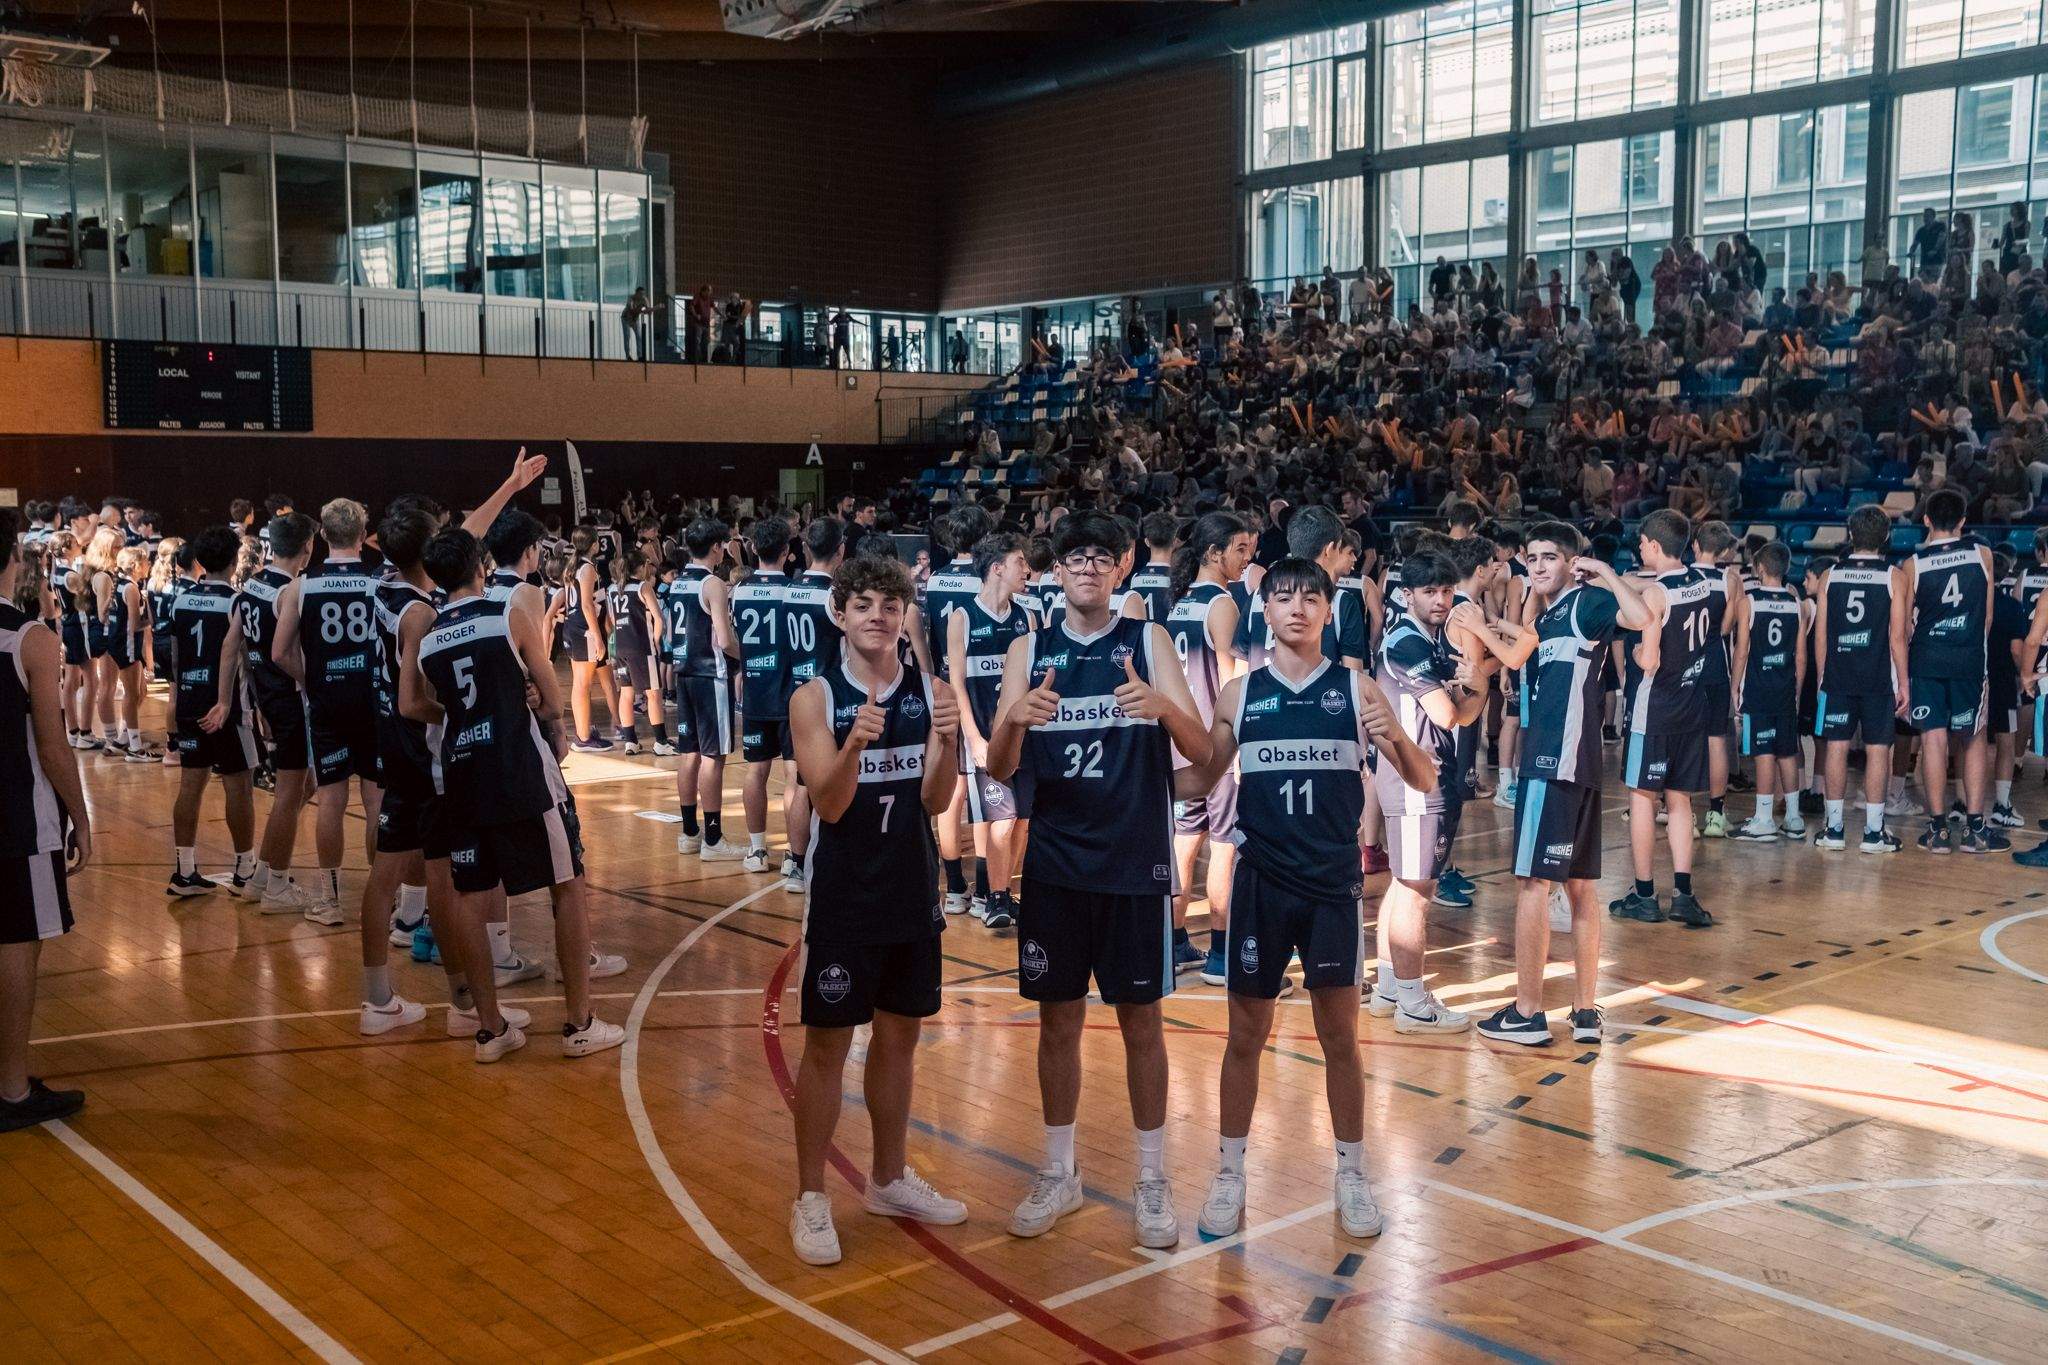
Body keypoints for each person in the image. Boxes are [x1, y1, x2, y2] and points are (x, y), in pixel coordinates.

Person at [1177, 557, 1432, 1238]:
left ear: (1327, 609)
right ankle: (1229, 1174)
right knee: (1244, 1039)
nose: (1297, 607)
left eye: (1310, 597)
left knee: (1339, 1038)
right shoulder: (1240, 693)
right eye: (1283, 596)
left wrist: (1397, 741)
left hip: (1330, 889)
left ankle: (1352, 1174)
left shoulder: (1356, 688)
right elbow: (1198, 779)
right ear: (1265, 609)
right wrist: (1132, 756)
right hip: (1261, 885)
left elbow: (1424, 775)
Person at [987, 510, 1211, 1250]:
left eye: (1100, 556)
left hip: (1134, 862)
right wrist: (1014, 717)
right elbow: (996, 766)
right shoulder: (1029, 647)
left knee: (1141, 1022)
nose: (1087, 566)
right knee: (1058, 1021)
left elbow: (1203, 752)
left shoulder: (1148, 642)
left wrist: (1163, 707)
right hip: (1054, 863)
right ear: (1056, 571)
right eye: (1074, 555)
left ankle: (1153, 1181)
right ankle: (1060, 1170)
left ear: (1121, 569)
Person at [786, 554, 966, 1265]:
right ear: (840, 612)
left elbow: (936, 800)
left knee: (899, 1040)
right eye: (863, 603)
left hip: (910, 887)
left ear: (903, 616)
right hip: (842, 895)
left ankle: (888, 1177)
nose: (877, 616)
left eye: (890, 605)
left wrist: (948, 739)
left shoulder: (930, 689)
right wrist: (856, 742)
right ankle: (809, 1196)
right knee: (827, 1045)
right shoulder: (814, 698)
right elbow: (828, 801)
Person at [413, 528, 624, 1062]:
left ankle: (489, 1030)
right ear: (481, 567)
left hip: (460, 769)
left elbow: (422, 705)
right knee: (567, 884)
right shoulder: (506, 615)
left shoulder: (430, 636)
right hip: (518, 768)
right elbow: (552, 703)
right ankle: (580, 1023)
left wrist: (471, 714)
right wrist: (525, 697)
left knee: (469, 896)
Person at [1476, 522, 1648, 1045]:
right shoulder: (1548, 615)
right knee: (1580, 890)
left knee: (1533, 885)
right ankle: (1586, 1011)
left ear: (1572, 562)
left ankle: (1528, 1012)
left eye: (1549, 557)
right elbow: (1522, 648)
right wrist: (1499, 624)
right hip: (1578, 766)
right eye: (1531, 557)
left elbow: (1640, 616)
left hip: (1554, 764)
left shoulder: (1587, 601)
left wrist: (1605, 574)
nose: (1537, 565)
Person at [1363, 551, 1487, 1034]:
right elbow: (1449, 714)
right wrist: (1476, 687)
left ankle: (1391, 988)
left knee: (1402, 884)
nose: (1440, 600)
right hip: (1418, 781)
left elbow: (1467, 709)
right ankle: (1413, 1002)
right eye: (1429, 592)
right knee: (1417, 891)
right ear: (1407, 594)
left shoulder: (1428, 640)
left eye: (1446, 591)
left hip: (1423, 778)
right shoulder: (1409, 644)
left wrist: (1474, 691)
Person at [0, 509, 92, 1131]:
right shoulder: (29, 636)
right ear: (11, 556)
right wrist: (81, 818)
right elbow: (53, 745)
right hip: (14, 814)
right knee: (15, 941)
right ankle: (10, 1089)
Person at [272, 500, 385, 920]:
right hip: (373, 702)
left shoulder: (301, 586)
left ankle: (331, 900)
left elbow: (279, 652)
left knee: (332, 801)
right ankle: (381, 897)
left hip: (327, 706)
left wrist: (312, 678)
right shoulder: (380, 582)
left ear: (321, 535)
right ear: (362, 536)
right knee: (376, 803)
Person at [1609, 509, 1715, 927]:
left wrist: (1636, 654)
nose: (1639, 550)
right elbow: (1650, 586)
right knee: (1681, 799)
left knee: (1641, 798)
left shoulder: (1656, 597)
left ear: (1654, 546)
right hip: (1691, 705)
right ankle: (1685, 894)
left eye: (1641, 545)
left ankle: (1644, 894)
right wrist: (1616, 579)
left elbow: (1649, 658)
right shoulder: (1702, 582)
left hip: (1653, 712)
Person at [1164, 512, 1251, 985]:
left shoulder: (1181, 604)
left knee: (1185, 841)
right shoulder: (1223, 605)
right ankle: (1221, 953)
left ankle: (1175, 941)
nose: (1246, 559)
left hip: (1179, 741)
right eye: (1240, 549)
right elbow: (1232, 682)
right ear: (1214, 553)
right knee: (1224, 847)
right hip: (1214, 747)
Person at [219, 512, 319, 912]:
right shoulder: (290, 591)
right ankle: (277, 885)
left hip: (268, 698)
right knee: (290, 791)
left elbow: (231, 647)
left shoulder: (252, 585)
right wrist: (317, 682)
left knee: (302, 787)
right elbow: (284, 654)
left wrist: (228, 699)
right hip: (291, 700)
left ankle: (262, 872)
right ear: (308, 547)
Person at [1893, 488, 2002, 853]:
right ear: (1963, 521)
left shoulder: (1913, 565)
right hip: (1968, 659)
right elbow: (1987, 617)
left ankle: (1938, 829)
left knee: (1933, 741)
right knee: (1973, 740)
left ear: (1925, 520)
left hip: (1927, 660)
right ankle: (1975, 827)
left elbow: (1906, 626)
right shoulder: (1982, 554)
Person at [946, 532, 1037, 931]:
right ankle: (994, 897)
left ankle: (1004, 892)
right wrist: (973, 737)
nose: (1027, 569)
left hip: (1025, 736)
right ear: (997, 567)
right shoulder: (962, 618)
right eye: (1020, 562)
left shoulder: (1027, 616)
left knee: (1022, 820)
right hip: (985, 736)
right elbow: (957, 683)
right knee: (1002, 817)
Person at [167, 528, 258, 896]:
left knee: (191, 785)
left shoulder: (180, 601)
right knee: (239, 787)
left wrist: (176, 705)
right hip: (227, 708)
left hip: (189, 702)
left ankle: (185, 870)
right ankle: (245, 870)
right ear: (235, 561)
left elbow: (174, 658)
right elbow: (243, 656)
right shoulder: (237, 602)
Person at [1812, 506, 1905, 853]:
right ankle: (1873, 833)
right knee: (1879, 749)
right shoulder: (1894, 576)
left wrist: (1823, 675)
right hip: (1878, 677)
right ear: (1885, 537)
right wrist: (1905, 682)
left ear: (1850, 536)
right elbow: (1898, 637)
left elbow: (1820, 635)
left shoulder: (1830, 576)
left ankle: (1834, 830)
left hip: (1838, 676)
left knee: (1836, 746)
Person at [660, 518, 742, 859]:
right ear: (716, 547)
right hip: (710, 677)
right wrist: (750, 655)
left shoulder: (678, 582)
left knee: (689, 753)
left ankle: (689, 833)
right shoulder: (713, 585)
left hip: (684, 675)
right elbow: (724, 640)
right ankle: (713, 838)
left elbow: (668, 634)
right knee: (713, 757)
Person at [778, 516, 846, 892]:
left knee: (798, 782)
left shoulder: (790, 590)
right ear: (840, 550)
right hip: (828, 696)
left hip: (796, 692)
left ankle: (797, 862)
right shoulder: (833, 597)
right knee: (829, 782)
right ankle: (824, 861)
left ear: (806, 548)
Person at [1729, 543, 1809, 841]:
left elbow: (1741, 651)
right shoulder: (1795, 603)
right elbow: (1801, 655)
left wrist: (1735, 686)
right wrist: (1797, 690)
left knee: (1763, 752)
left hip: (1759, 689)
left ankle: (1763, 818)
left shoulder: (1749, 601)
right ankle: (1793, 817)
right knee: (1787, 751)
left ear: (1759, 568)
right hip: (1785, 688)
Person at [733, 517, 794, 874]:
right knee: (793, 777)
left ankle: (757, 851)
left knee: (755, 770)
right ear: (786, 551)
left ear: (753, 549)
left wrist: (746, 664)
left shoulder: (738, 590)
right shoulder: (794, 590)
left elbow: (727, 640)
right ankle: (793, 856)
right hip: (788, 693)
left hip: (755, 692)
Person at [622, 286, 649, 360]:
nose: (641, 296)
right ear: (636, 293)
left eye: (643, 294)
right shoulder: (631, 298)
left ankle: (640, 355)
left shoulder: (644, 299)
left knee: (639, 336)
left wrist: (648, 310)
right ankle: (628, 355)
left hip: (635, 319)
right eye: (640, 294)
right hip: (626, 318)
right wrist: (640, 310)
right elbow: (631, 310)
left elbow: (648, 310)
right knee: (627, 336)